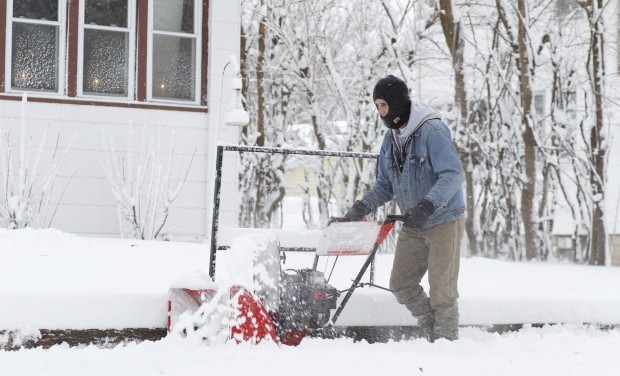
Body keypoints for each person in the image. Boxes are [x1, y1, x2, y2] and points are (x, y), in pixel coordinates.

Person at [344, 75, 465, 342]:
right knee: (401, 284)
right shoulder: (391, 139)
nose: (380, 112)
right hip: (414, 223)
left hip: (444, 219)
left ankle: (446, 342)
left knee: (442, 291)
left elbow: (453, 175)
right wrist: (362, 206)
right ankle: (430, 326)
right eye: (377, 106)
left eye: (383, 105)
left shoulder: (432, 131)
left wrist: (428, 204)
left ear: (397, 103)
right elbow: (386, 184)